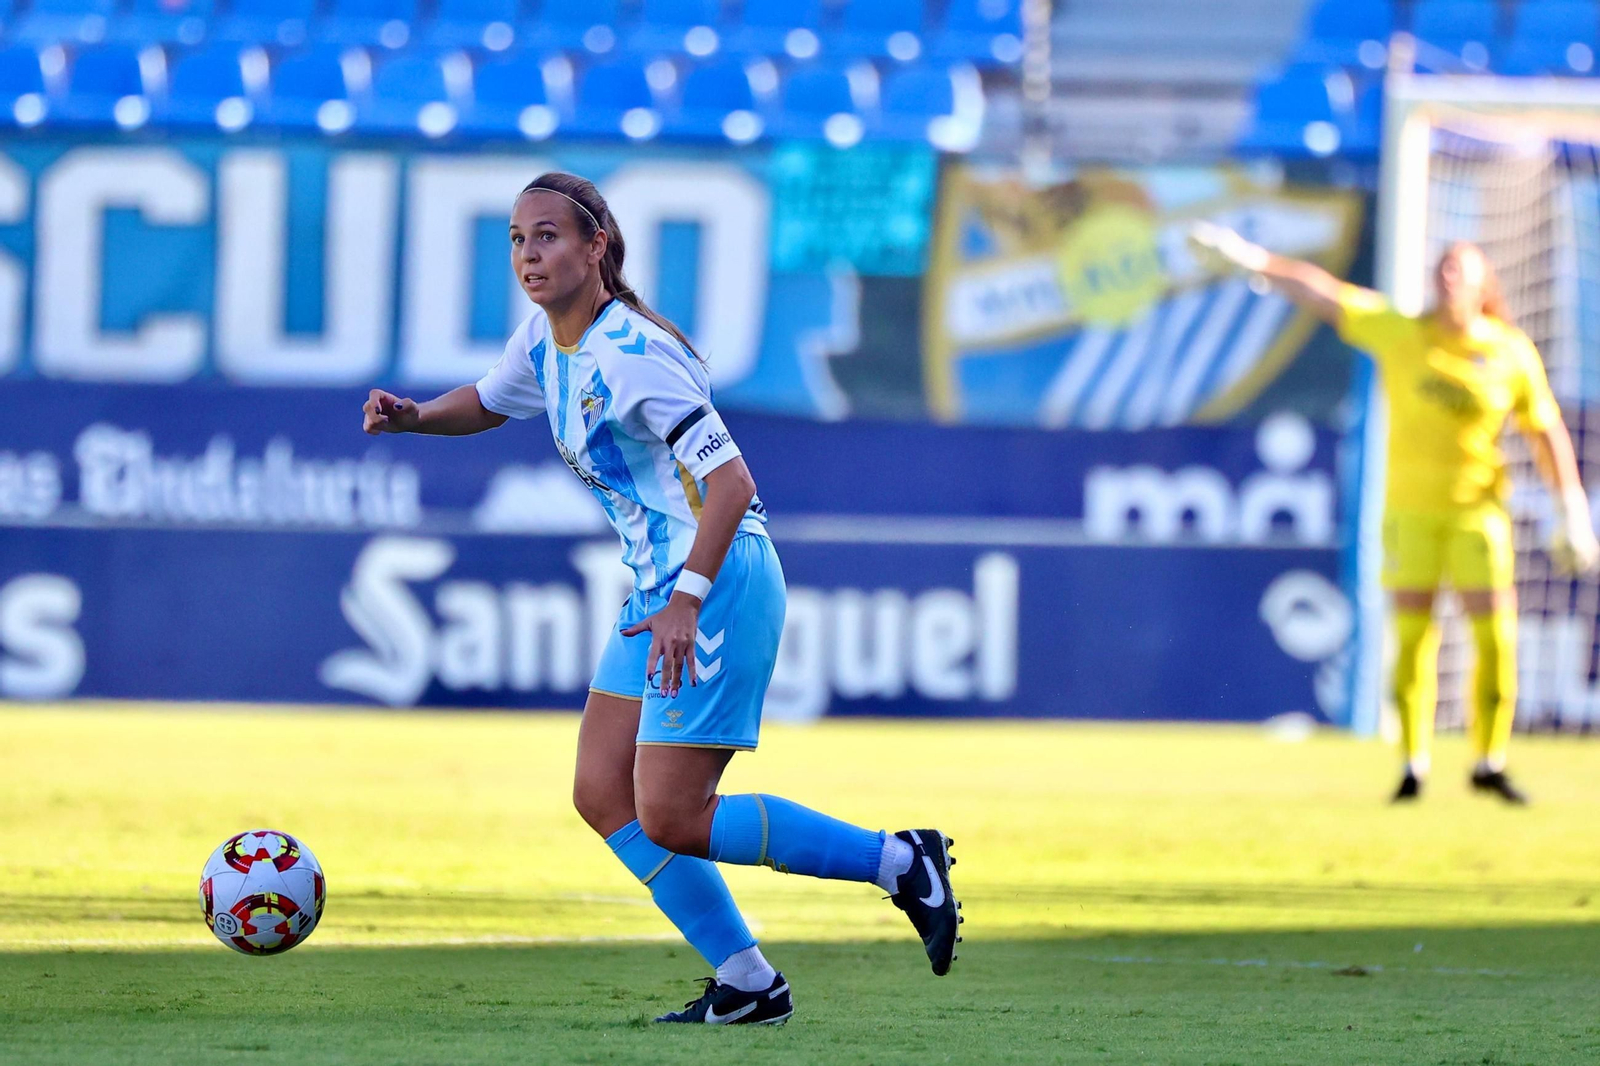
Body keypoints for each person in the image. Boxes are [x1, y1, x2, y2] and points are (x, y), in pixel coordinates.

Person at [362, 172, 961, 1025]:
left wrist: (687, 597)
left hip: (713, 583)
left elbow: (731, 482)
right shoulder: (545, 342)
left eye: (549, 237)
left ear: (596, 245)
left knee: (673, 815)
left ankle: (900, 863)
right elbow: (491, 404)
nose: (530, 256)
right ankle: (749, 982)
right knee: (604, 792)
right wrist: (416, 415)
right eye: (518, 240)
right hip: (659, 589)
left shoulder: (637, 356)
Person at [1190, 223, 1599, 804]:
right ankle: (1413, 762)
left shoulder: (1508, 351)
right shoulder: (1402, 332)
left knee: (1496, 640)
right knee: (1413, 639)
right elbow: (1321, 290)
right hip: (1410, 515)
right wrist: (1250, 258)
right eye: (1441, 268)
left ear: (1483, 283)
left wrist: (1573, 508)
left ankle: (1489, 759)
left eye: (1459, 268)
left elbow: (1545, 430)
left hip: (1478, 515)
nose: (1446, 276)